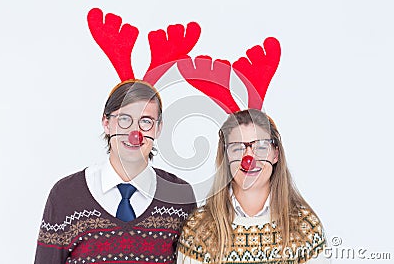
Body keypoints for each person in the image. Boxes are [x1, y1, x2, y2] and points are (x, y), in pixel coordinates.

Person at [34, 80, 196, 264]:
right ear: (106, 123)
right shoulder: (65, 195)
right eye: (124, 119)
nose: (135, 133)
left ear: (158, 128)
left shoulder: (180, 196)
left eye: (146, 121)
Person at [177, 109, 329, 263]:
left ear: (275, 154)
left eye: (261, 147)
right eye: (237, 148)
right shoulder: (199, 228)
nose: (249, 159)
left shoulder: (305, 227)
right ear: (226, 157)